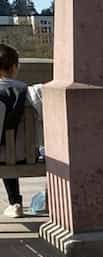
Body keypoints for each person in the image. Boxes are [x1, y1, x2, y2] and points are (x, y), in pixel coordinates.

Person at [0, 44, 42, 219]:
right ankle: (15, 202)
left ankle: (14, 201)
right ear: (15, 67)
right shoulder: (33, 93)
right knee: (11, 149)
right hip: (27, 155)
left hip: (1, 157)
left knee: (4, 153)